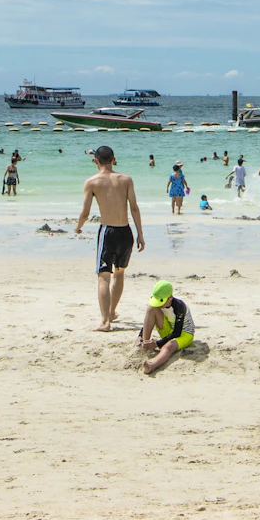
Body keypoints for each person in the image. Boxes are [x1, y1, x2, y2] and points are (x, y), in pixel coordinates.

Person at [74, 145, 145, 332]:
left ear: (95, 161)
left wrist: (78, 226)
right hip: (126, 231)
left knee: (103, 277)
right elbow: (134, 208)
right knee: (120, 273)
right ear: (113, 159)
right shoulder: (126, 179)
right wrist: (140, 234)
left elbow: (85, 211)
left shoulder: (92, 182)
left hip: (108, 232)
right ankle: (112, 312)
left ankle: (105, 322)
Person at [138, 280, 196, 375]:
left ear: (170, 298)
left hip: (184, 334)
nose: (159, 305)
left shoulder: (179, 307)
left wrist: (157, 343)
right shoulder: (158, 305)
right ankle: (145, 344)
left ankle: (151, 366)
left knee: (169, 346)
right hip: (169, 329)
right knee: (151, 309)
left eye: (161, 301)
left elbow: (177, 333)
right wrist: (140, 335)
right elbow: (148, 321)